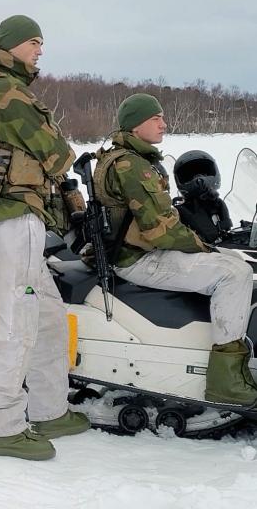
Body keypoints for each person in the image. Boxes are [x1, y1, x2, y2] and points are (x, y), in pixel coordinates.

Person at [0, 14, 90, 461]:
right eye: (33, 43)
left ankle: (49, 408)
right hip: (15, 215)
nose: (39, 51)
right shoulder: (5, 90)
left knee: (47, 313)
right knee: (18, 316)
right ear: (10, 46)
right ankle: (2, 423)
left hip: (5, 214)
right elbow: (57, 151)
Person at [92, 93, 257, 407]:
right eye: (156, 118)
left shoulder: (127, 158)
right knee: (235, 274)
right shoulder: (132, 165)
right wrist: (203, 247)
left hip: (135, 252)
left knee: (230, 261)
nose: (163, 124)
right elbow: (161, 230)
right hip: (139, 259)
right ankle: (227, 379)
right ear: (136, 125)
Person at [172, 149, 232, 244]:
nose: (199, 180)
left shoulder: (218, 204)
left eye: (204, 174)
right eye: (191, 177)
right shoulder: (180, 212)